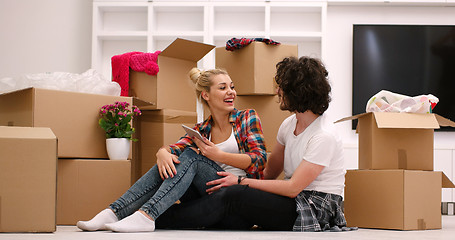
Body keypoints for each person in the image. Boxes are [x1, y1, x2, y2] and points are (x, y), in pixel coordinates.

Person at [154, 56, 352, 232]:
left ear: (297, 92)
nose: (277, 91)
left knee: (234, 195)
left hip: (314, 207)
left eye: (281, 87)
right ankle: (151, 213)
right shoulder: (289, 124)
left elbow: (292, 188)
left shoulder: (324, 135)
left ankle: (158, 218)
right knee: (228, 196)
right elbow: (267, 174)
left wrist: (239, 183)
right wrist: (229, 174)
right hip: (293, 199)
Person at [76, 68, 267, 232]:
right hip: (209, 195)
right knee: (176, 158)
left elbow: (260, 160)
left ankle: (145, 215)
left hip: (237, 194)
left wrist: (219, 155)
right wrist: (162, 153)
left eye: (232, 87)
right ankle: (114, 212)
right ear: (206, 95)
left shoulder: (247, 117)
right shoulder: (202, 129)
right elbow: (175, 148)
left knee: (192, 156)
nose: (231, 92)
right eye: (223, 88)